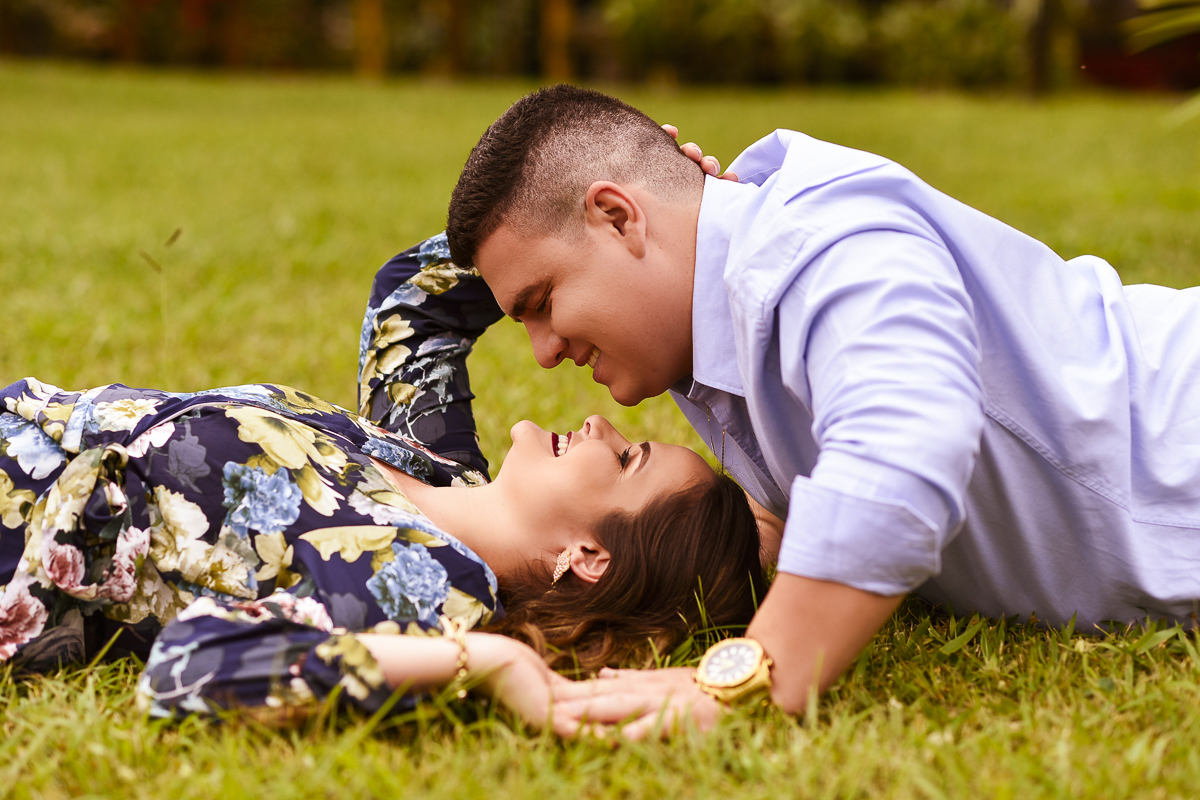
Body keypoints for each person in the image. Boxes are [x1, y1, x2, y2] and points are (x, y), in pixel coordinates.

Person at [423, 84, 1200, 736]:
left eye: (541, 303)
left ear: (620, 217)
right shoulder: (703, 310)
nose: (543, 351)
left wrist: (759, 670)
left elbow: (905, 439)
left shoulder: (813, 245)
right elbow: (803, 502)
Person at [0, 238, 767, 730]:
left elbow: (190, 667)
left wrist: (485, 662)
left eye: (628, 459)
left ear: (587, 556)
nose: (602, 425)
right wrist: (643, 235)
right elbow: (416, 300)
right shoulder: (442, 468)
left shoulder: (428, 591)